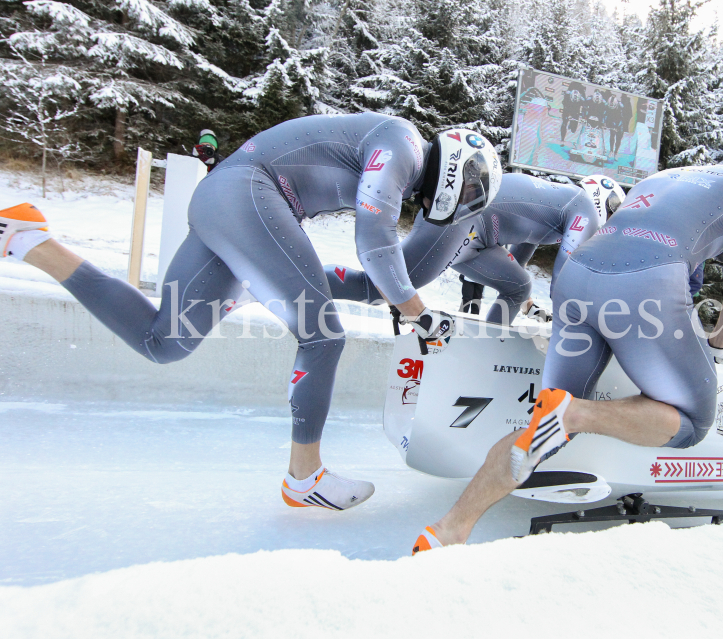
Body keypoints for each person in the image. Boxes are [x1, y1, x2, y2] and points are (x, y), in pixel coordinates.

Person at [0, 114, 501, 512]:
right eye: (472, 196)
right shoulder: (403, 144)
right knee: (323, 335)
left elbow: (374, 265)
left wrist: (387, 296)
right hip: (252, 192)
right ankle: (304, 477)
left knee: (163, 343)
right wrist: (417, 313)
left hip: (230, 197)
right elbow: (374, 241)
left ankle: (30, 241)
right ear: (460, 169)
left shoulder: (401, 155)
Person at [411, 164, 723, 552]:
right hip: (645, 284)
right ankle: (577, 413)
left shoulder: (664, 178)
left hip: (577, 277)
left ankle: (448, 528)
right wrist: (720, 345)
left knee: (543, 428)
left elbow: (688, 272)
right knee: (693, 421)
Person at [325, 173, 625, 324]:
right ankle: (302, 280)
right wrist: (579, 325)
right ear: (604, 202)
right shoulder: (583, 207)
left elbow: (522, 254)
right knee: (382, 290)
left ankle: (488, 350)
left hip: (475, 236)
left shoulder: (563, 205)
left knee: (519, 286)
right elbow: (565, 277)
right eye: (614, 217)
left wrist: (528, 303)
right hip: (462, 221)